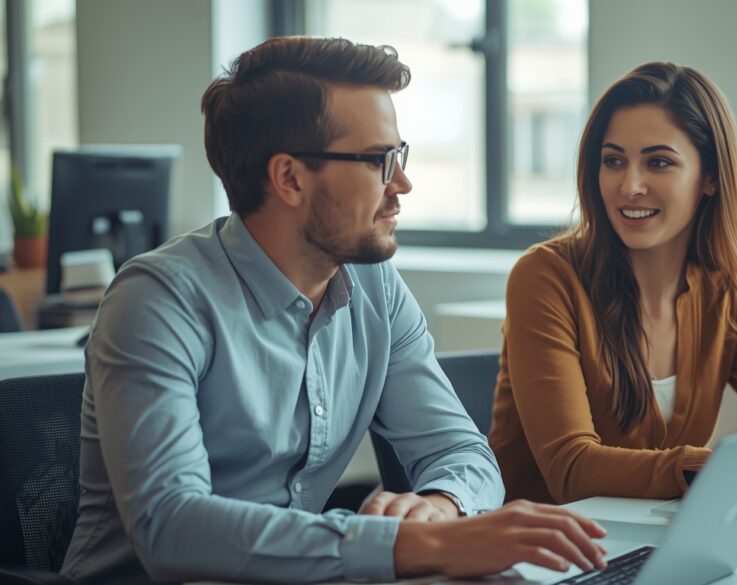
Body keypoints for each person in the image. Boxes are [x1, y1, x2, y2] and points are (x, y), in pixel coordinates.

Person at [60, 36, 606, 585]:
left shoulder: (375, 289)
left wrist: (441, 507)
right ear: (289, 178)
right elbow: (171, 528)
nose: (403, 184)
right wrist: (409, 545)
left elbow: (460, 450)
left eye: (400, 155)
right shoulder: (157, 299)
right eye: (378, 161)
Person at [488, 62, 737, 505]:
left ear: (709, 177)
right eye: (613, 161)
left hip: (652, 542)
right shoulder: (546, 277)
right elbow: (571, 470)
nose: (630, 185)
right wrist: (719, 465)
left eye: (659, 162)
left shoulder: (725, 293)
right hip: (540, 556)